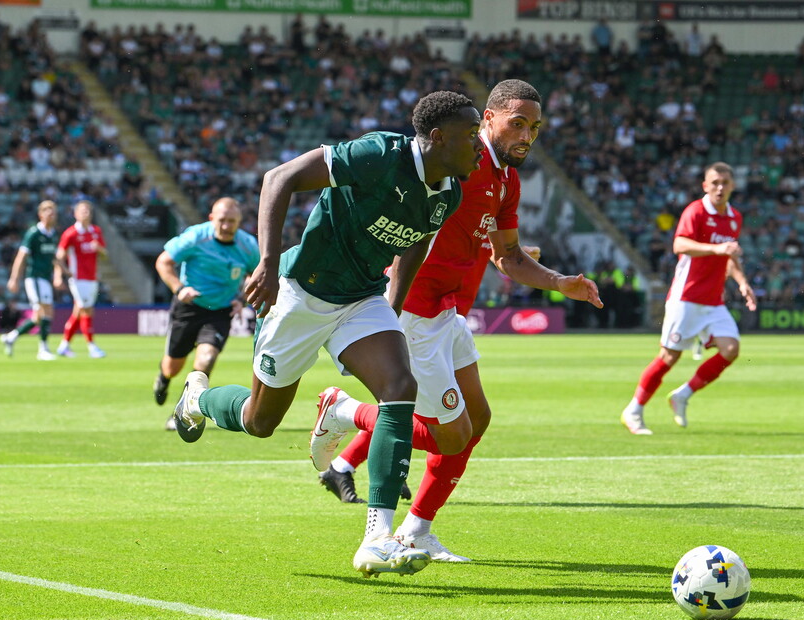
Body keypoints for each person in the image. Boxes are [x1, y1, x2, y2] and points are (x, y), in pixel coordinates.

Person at [169, 91, 484, 577]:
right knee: (260, 421)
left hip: (362, 299)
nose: (480, 145)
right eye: (471, 135)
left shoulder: (449, 193)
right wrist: (267, 264)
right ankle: (197, 399)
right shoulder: (379, 154)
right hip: (300, 293)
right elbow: (280, 178)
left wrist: (392, 307)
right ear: (438, 137)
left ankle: (377, 538)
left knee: (400, 387)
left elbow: (414, 245)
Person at [309, 80, 603, 562]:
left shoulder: (507, 180)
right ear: (488, 118)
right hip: (415, 312)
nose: (527, 135)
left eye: (535, 127)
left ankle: (417, 529)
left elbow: (508, 255)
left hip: (446, 313)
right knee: (450, 434)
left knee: (477, 417)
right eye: (518, 123)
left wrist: (559, 282)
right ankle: (343, 411)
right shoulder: (459, 164)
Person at [620, 162, 757, 435]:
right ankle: (633, 410)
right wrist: (717, 249)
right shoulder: (695, 211)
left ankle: (682, 395)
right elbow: (679, 244)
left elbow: (730, 256)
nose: (720, 188)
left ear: (732, 186)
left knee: (731, 349)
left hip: (713, 301)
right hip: (687, 297)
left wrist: (742, 282)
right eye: (715, 182)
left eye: (725, 183)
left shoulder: (734, 218)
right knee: (669, 357)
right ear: (705, 185)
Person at [153, 197, 259, 431]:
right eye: (222, 220)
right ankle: (163, 378)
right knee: (172, 367)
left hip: (220, 311)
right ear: (212, 218)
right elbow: (163, 262)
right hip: (189, 307)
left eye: (232, 221)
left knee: (206, 358)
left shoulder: (248, 245)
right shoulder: (195, 237)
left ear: (239, 221)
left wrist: (242, 299)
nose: (226, 226)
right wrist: (179, 289)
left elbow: (256, 274)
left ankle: (182, 411)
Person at [0, 200, 67, 360]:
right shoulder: (34, 233)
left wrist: (62, 273)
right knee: (45, 310)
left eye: (53, 211)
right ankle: (43, 349)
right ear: (40, 214)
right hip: (35, 278)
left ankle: (11, 337)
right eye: (47, 211)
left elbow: (55, 258)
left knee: (38, 316)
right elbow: (21, 256)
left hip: (45, 278)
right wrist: (14, 279)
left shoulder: (53, 234)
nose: (51, 214)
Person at [55, 200, 108, 358]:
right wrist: (60, 275)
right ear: (75, 214)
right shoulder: (70, 233)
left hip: (92, 277)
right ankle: (92, 347)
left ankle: (64, 345)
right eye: (83, 211)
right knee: (87, 310)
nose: (86, 213)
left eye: (88, 211)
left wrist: (99, 249)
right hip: (78, 278)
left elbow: (105, 255)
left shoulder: (96, 231)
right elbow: (59, 256)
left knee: (79, 311)